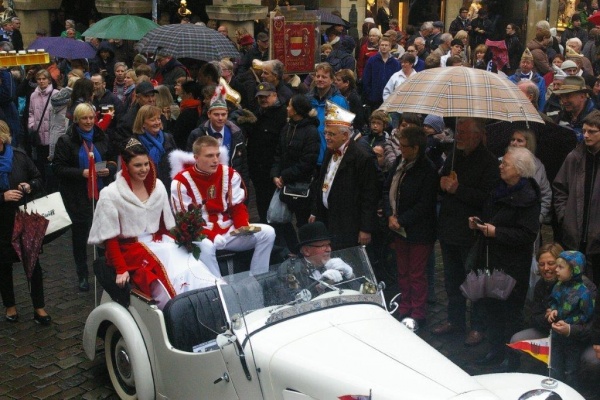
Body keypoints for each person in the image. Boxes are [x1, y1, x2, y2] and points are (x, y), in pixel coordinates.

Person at [88, 140, 220, 309]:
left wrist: (183, 237)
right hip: (129, 249)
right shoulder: (111, 194)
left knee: (190, 263)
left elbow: (166, 225)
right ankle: (181, 310)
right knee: (163, 273)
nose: (144, 169)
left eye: (146, 164)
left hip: (159, 242)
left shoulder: (157, 186)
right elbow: (110, 238)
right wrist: (121, 269)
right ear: (126, 166)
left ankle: (210, 302)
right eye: (137, 165)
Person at [468, 146, 541, 365]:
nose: (500, 166)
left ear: (519, 169)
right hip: (490, 259)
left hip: (512, 265)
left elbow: (527, 234)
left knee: (510, 312)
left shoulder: (528, 197)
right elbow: (489, 216)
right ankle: (495, 350)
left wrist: (496, 232)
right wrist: (478, 223)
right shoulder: (497, 189)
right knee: (492, 308)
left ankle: (512, 356)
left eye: (505, 164)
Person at [432, 117, 499, 346]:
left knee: (475, 281)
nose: (458, 135)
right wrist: (441, 183)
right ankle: (455, 319)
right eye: (458, 131)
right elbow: (442, 179)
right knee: (452, 280)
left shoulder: (489, 162)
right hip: (449, 227)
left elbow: (487, 199)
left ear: (478, 135)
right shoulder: (454, 154)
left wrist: (458, 189)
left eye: (463, 132)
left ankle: (478, 326)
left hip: (470, 233)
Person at [171, 136, 276, 277]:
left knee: (268, 233)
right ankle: (217, 285)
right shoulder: (180, 181)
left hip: (228, 231)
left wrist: (242, 227)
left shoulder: (229, 173)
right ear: (196, 158)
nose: (215, 160)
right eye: (209, 156)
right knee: (207, 247)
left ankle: (258, 277)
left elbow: (237, 206)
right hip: (201, 235)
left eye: (217, 155)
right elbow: (185, 221)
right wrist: (211, 236)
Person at [53, 103, 117, 292]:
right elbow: (58, 168)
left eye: (91, 118)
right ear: (76, 120)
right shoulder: (66, 141)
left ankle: (105, 271)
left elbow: (112, 159)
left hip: (101, 193)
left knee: (105, 233)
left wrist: (109, 169)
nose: (88, 122)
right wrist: (82, 173)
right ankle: (82, 273)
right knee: (81, 236)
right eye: (84, 118)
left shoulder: (102, 136)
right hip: (77, 195)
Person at [383, 126, 438, 327]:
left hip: (419, 230)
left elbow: (425, 204)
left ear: (416, 148)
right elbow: (387, 189)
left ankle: (418, 311)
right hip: (399, 227)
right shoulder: (400, 162)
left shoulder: (428, 169)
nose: (401, 149)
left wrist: (401, 220)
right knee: (403, 271)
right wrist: (390, 215)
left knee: (416, 273)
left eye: (404, 146)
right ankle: (405, 306)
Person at [0, 121, 51, 325]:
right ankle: (10, 306)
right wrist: (2, 197)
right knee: (3, 265)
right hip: (2, 222)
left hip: (24, 218)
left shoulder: (19, 156)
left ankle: (39, 307)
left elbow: (38, 178)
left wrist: (29, 186)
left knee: (33, 263)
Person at [311, 102, 380, 250]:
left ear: (345, 135)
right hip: (328, 218)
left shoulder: (363, 157)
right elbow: (322, 181)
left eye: (331, 134)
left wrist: (365, 228)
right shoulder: (330, 150)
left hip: (349, 223)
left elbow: (370, 195)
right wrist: (315, 211)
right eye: (325, 133)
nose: (327, 137)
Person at [554, 110, 600, 287]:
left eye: (592, 131)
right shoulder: (574, 157)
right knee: (574, 286)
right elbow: (560, 188)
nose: (586, 135)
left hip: (597, 238)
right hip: (574, 235)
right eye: (584, 130)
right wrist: (564, 217)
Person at [271, 95, 320, 252]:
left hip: (301, 185)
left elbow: (308, 162)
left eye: (290, 105)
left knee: (302, 223)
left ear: (297, 110)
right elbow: (278, 153)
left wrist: (285, 175)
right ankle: (294, 250)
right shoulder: (287, 128)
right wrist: (275, 174)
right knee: (280, 219)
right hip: (284, 182)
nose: (287, 108)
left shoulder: (311, 132)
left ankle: (307, 252)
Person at [547, 251, 595, 389]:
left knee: (571, 371)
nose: (556, 270)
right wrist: (553, 310)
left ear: (574, 270)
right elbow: (553, 301)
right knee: (554, 367)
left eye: (561, 267)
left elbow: (586, 315)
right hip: (556, 336)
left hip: (573, 340)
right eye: (556, 266)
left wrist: (569, 323)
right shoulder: (558, 285)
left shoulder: (584, 292)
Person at [186, 85, 250, 186]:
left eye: (223, 114)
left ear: (227, 114)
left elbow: (243, 165)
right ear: (209, 114)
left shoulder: (236, 133)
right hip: (206, 184)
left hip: (232, 184)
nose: (220, 118)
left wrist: (243, 187)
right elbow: (191, 163)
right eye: (216, 114)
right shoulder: (197, 135)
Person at [278, 221, 354, 298]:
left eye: (328, 244)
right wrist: (320, 287)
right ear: (306, 251)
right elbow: (293, 300)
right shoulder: (289, 269)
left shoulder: (336, 258)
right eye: (323, 245)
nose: (329, 249)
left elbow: (357, 293)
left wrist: (350, 276)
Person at [307, 63, 349, 166]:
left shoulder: (338, 102)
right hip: (309, 155)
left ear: (331, 80)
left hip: (329, 157)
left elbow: (344, 132)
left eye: (324, 77)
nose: (320, 79)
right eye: (318, 76)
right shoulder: (308, 99)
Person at [132, 105, 177, 188]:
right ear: (143, 123)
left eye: (158, 119)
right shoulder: (135, 142)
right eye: (152, 120)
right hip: (145, 186)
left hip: (168, 186)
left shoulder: (168, 138)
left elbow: (176, 162)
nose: (157, 122)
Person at [28, 69, 58, 188]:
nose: (41, 81)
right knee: (40, 164)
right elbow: (31, 112)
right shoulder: (33, 95)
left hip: (52, 135)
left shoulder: (56, 94)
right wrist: (31, 125)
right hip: (38, 135)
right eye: (39, 79)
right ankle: (42, 187)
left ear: (49, 80)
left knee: (52, 164)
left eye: (44, 79)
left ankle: (52, 187)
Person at [362, 36, 400, 111]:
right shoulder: (372, 60)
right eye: (382, 45)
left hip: (390, 98)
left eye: (386, 45)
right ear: (379, 46)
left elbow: (398, 80)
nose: (384, 47)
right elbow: (366, 78)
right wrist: (370, 94)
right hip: (374, 98)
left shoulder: (395, 63)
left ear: (390, 47)